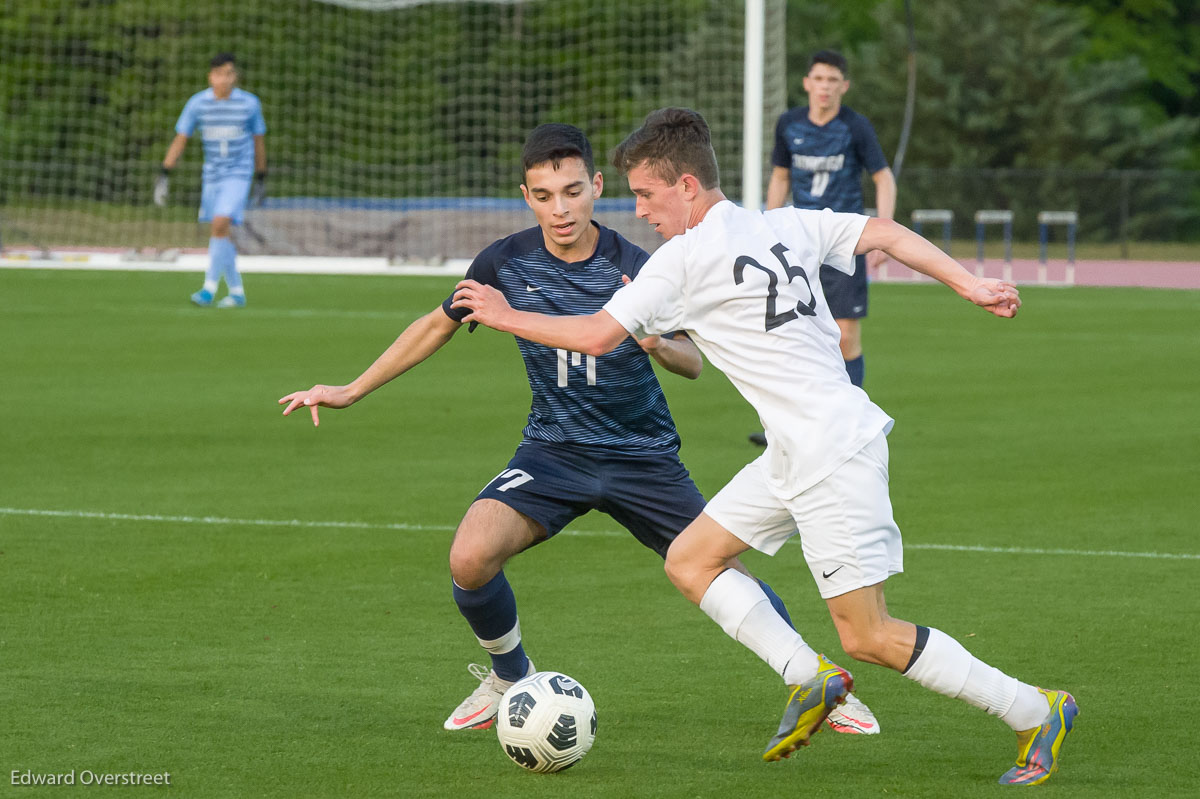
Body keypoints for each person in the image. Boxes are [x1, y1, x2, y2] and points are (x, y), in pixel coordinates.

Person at [451, 109, 1076, 786]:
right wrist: (971, 283)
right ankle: (809, 676)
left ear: (686, 186)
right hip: (796, 449)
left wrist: (503, 312)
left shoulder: (682, 259)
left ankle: (1036, 709)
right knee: (691, 558)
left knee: (868, 634)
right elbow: (886, 234)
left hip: (832, 452)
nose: (640, 210)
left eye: (646, 194)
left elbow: (598, 337)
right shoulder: (784, 223)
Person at [279, 123, 877, 735]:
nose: (560, 209)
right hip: (553, 452)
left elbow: (692, 362)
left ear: (596, 186)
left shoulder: (645, 262)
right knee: (470, 555)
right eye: (543, 196)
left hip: (643, 455)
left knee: (720, 573)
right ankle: (510, 674)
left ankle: (816, 679)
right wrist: (351, 388)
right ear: (526, 196)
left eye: (571, 191)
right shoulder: (502, 262)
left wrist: (656, 345)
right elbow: (438, 324)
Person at [749, 49, 895, 446]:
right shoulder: (789, 124)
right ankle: (786, 427)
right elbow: (780, 177)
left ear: (843, 86)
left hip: (843, 244)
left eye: (833, 80)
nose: (825, 87)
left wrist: (883, 232)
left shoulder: (856, 127)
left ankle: (848, 423)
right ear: (807, 83)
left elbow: (883, 178)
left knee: (846, 336)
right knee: (789, 333)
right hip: (797, 244)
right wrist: (766, 227)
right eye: (819, 79)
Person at [155, 52, 267, 308]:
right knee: (220, 231)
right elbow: (181, 138)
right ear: (211, 77)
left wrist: (261, 176)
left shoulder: (249, 104)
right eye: (219, 74)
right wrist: (164, 173)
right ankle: (237, 292)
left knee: (219, 223)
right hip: (212, 176)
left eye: (229, 73)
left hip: (238, 174)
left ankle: (208, 288)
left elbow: (258, 141)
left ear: (235, 76)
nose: (224, 79)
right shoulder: (198, 104)